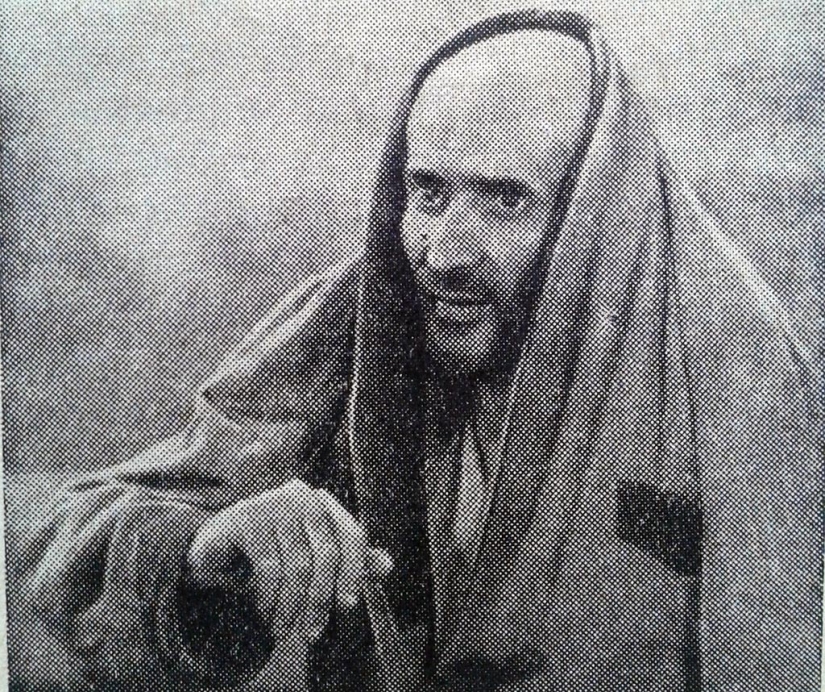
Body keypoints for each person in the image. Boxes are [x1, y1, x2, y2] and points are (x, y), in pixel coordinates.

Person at [24, 10, 822, 692]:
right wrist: (202, 550)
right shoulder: (362, 316)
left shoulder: (732, 366)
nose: (442, 253)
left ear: (596, 209)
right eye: (428, 192)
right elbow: (57, 547)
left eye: (505, 199)